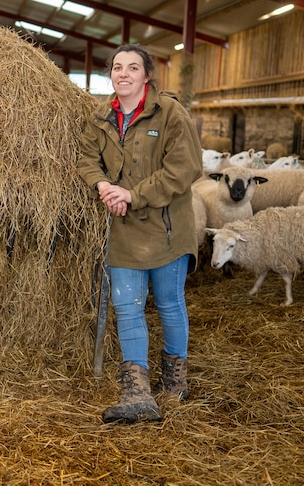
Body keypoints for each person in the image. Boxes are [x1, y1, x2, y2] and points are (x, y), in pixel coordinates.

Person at [76, 44, 203, 424]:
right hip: (125, 230)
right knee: (127, 307)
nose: (124, 74)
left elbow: (184, 169)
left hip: (167, 228)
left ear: (146, 75)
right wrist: (102, 186)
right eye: (117, 67)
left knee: (168, 303)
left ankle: (175, 379)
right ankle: (137, 390)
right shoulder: (100, 116)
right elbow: (86, 158)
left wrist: (132, 194)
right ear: (110, 75)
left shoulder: (170, 113)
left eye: (133, 67)